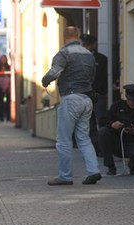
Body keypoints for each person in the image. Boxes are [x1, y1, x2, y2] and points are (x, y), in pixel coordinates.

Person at [41, 26, 102, 186]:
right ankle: (93, 171)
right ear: (77, 36)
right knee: (84, 138)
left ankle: (65, 176)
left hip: (71, 98)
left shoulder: (64, 54)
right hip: (87, 99)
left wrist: (45, 80)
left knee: (64, 140)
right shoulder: (89, 54)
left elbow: (55, 72)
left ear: (64, 37)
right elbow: (93, 76)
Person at [97, 84, 134, 175]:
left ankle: (133, 165)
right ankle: (110, 166)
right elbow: (102, 121)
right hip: (117, 142)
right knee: (103, 132)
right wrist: (112, 124)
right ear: (126, 97)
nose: (131, 103)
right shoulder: (117, 106)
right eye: (129, 99)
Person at [81, 34, 108, 154]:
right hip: (85, 95)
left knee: (101, 119)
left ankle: (103, 146)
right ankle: (95, 148)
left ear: (93, 45)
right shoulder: (79, 60)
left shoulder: (101, 59)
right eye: (84, 45)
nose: (85, 47)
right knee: (89, 122)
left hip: (98, 94)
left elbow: (105, 78)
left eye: (87, 44)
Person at [0, 54, 10, 122]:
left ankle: (8, 117)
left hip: (8, 86)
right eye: (2, 59)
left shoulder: (9, 67)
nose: (3, 60)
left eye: (4, 59)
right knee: (1, 103)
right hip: (0, 87)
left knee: (8, 103)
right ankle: (1, 117)